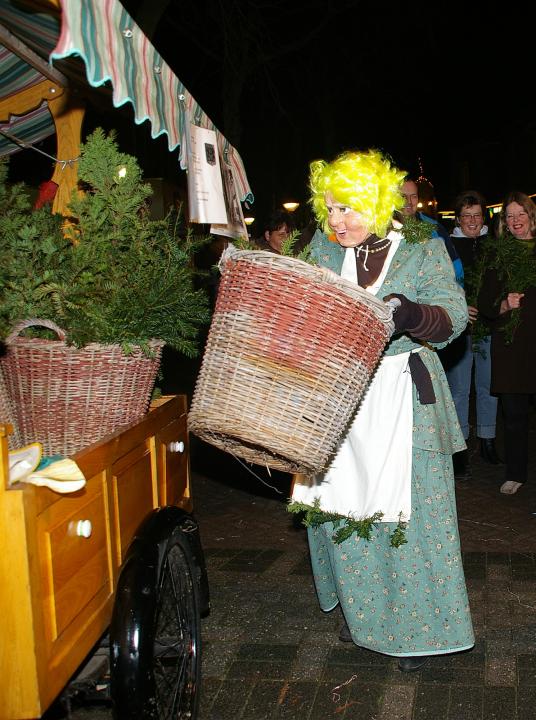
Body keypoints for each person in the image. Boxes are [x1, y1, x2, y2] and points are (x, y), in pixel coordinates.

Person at [291, 150, 474, 672]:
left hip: (403, 396)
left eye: (347, 208)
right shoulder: (320, 251)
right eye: (329, 210)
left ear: (376, 201)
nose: (336, 221)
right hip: (337, 400)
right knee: (345, 509)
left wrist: (409, 312)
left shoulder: (421, 249)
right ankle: (361, 610)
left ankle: (416, 630)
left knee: (411, 515)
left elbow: (454, 315)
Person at [478, 192, 536, 495]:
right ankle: (515, 473)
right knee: (514, 414)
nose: (514, 221)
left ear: (531, 216)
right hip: (512, 345)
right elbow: (485, 302)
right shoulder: (497, 254)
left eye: (520, 214)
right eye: (509, 216)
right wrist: (504, 304)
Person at [441, 191, 501, 481]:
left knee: (488, 385)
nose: (473, 221)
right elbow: (443, 282)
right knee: (460, 388)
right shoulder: (448, 245)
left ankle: (487, 438)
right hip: (461, 327)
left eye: (477, 215)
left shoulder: (494, 244)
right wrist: (460, 306)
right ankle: (460, 448)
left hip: (489, 325)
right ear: (458, 219)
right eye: (467, 216)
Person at [398, 176, 464, 285]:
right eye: (403, 196)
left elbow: (454, 264)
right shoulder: (382, 230)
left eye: (413, 196)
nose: (409, 201)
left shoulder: (434, 228)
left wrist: (458, 293)